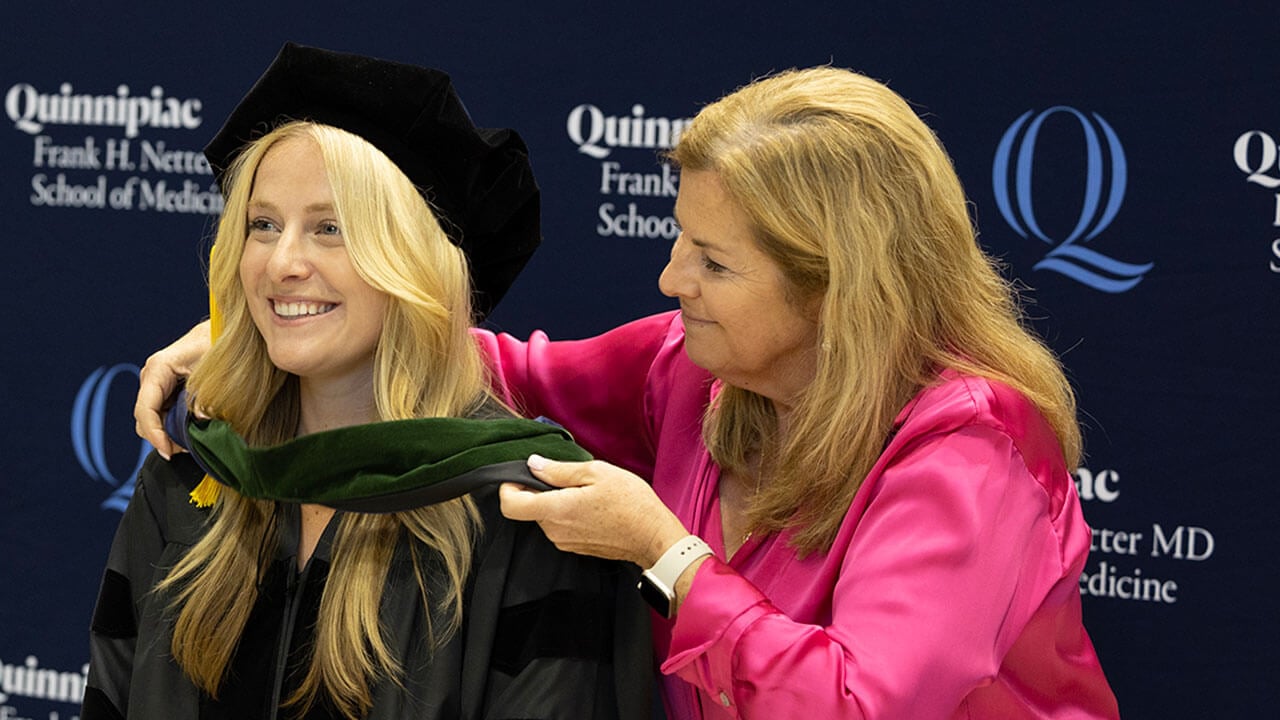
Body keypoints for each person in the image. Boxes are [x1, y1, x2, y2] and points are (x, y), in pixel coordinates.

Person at [135, 65, 1120, 719]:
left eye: (712, 261)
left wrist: (667, 556)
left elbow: (855, 706)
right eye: (677, 238)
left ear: (838, 287)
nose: (669, 279)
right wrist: (262, 326)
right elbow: (492, 366)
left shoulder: (971, 454)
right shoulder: (692, 371)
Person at [88, 43, 651, 720]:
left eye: (332, 228)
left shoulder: (521, 514)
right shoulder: (194, 475)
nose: (282, 262)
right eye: (262, 225)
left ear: (412, 262)